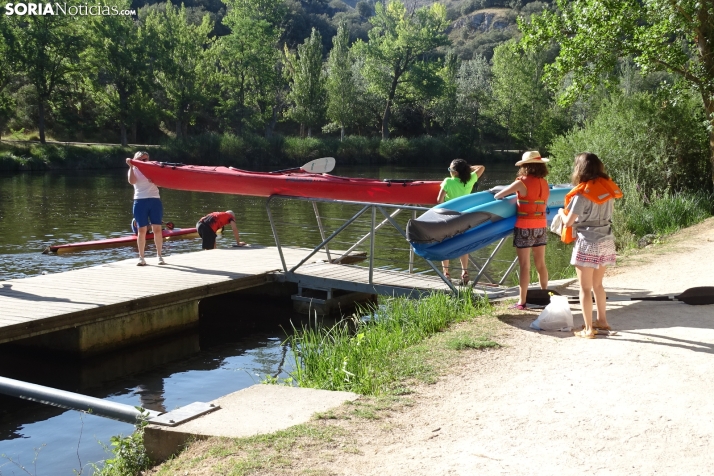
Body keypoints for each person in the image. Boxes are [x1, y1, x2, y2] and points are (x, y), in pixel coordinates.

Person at [557, 152, 622, 339]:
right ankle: (602, 321)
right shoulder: (607, 191)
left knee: (584, 288)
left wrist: (562, 212)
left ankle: (588, 329)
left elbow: (568, 222)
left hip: (587, 242)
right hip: (606, 240)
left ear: (580, 169)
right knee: (598, 285)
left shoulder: (582, 194)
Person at [494, 151, 550, 310]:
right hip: (541, 226)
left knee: (525, 265)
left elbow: (498, 195)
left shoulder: (521, 182)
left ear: (525, 166)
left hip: (524, 226)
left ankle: (522, 302)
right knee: (541, 263)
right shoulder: (545, 183)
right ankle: (544, 295)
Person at [437, 158, 486, 285]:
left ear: (455, 172)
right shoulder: (470, 179)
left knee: (445, 244)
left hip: (448, 217)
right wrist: (467, 168)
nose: (449, 171)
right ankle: (464, 273)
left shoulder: (448, 181)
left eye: (450, 169)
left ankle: (446, 273)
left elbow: (439, 200)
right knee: (463, 245)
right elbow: (481, 167)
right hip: (464, 217)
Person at [126, 151, 164, 266]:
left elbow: (161, 183)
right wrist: (131, 167)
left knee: (157, 229)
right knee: (141, 230)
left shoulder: (152, 169)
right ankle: (141, 258)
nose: (144, 161)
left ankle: (159, 256)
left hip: (154, 200)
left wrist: (155, 180)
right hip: (140, 201)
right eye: (142, 159)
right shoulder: (133, 170)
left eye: (146, 159)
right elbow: (132, 181)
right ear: (136, 160)